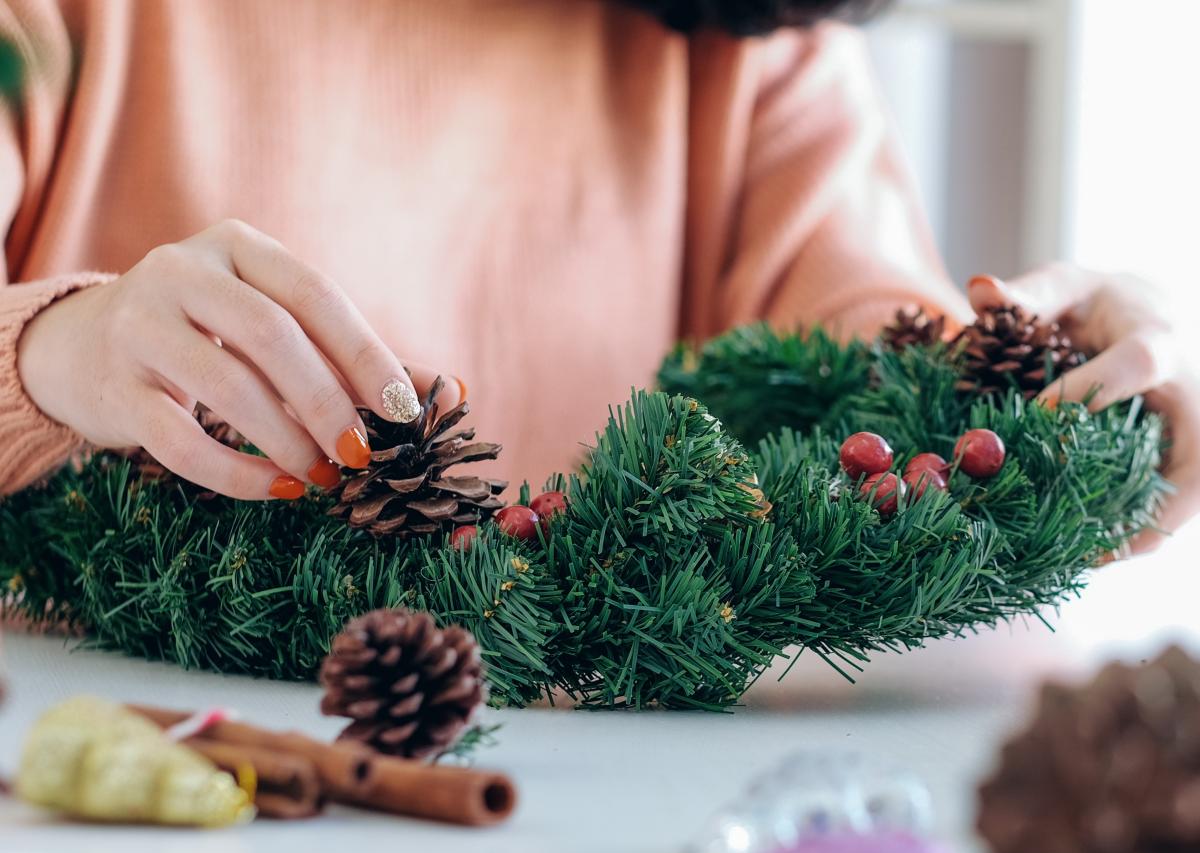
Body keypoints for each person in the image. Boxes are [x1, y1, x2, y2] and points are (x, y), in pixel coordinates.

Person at [0, 0, 1194, 554]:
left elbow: (884, 378)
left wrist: (1067, 381)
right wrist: (58, 350)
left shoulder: (752, 40)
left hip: (620, 851)